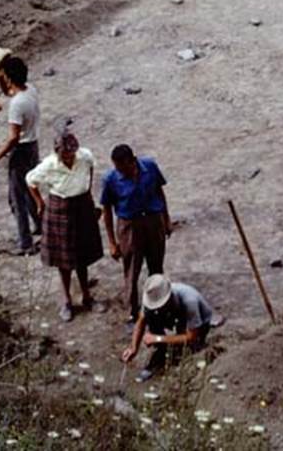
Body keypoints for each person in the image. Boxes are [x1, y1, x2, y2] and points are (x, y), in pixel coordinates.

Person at [26, 127, 107, 322]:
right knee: (64, 260)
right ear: (57, 153)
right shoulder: (49, 164)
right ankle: (67, 301)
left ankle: (87, 297)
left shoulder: (85, 156)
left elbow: (91, 167)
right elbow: (30, 180)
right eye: (65, 155)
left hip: (82, 205)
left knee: (83, 256)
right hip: (60, 208)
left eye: (71, 154)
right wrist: (40, 203)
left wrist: (88, 193)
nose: (69, 158)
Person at [100, 144, 172, 323]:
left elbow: (159, 192)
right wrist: (112, 242)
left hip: (153, 221)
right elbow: (107, 211)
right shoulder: (110, 179)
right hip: (129, 226)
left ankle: (158, 306)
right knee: (132, 271)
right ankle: (132, 313)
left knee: (156, 268)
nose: (121, 172)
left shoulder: (150, 167)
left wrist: (166, 219)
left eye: (124, 168)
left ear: (133, 161)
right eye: (117, 168)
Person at [0, 56, 42, 255]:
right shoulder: (31, 90)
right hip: (33, 146)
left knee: (17, 198)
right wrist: (0, 76)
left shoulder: (17, 105)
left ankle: (25, 243)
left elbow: (13, 138)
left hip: (21, 152)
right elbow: (8, 90)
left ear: (9, 78)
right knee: (30, 191)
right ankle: (41, 226)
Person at [121, 274, 222, 382]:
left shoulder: (189, 300)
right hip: (172, 317)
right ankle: (160, 355)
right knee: (151, 316)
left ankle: (173, 354)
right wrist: (134, 348)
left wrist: (158, 338)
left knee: (190, 347)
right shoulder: (151, 296)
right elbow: (141, 321)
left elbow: (192, 336)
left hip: (198, 323)